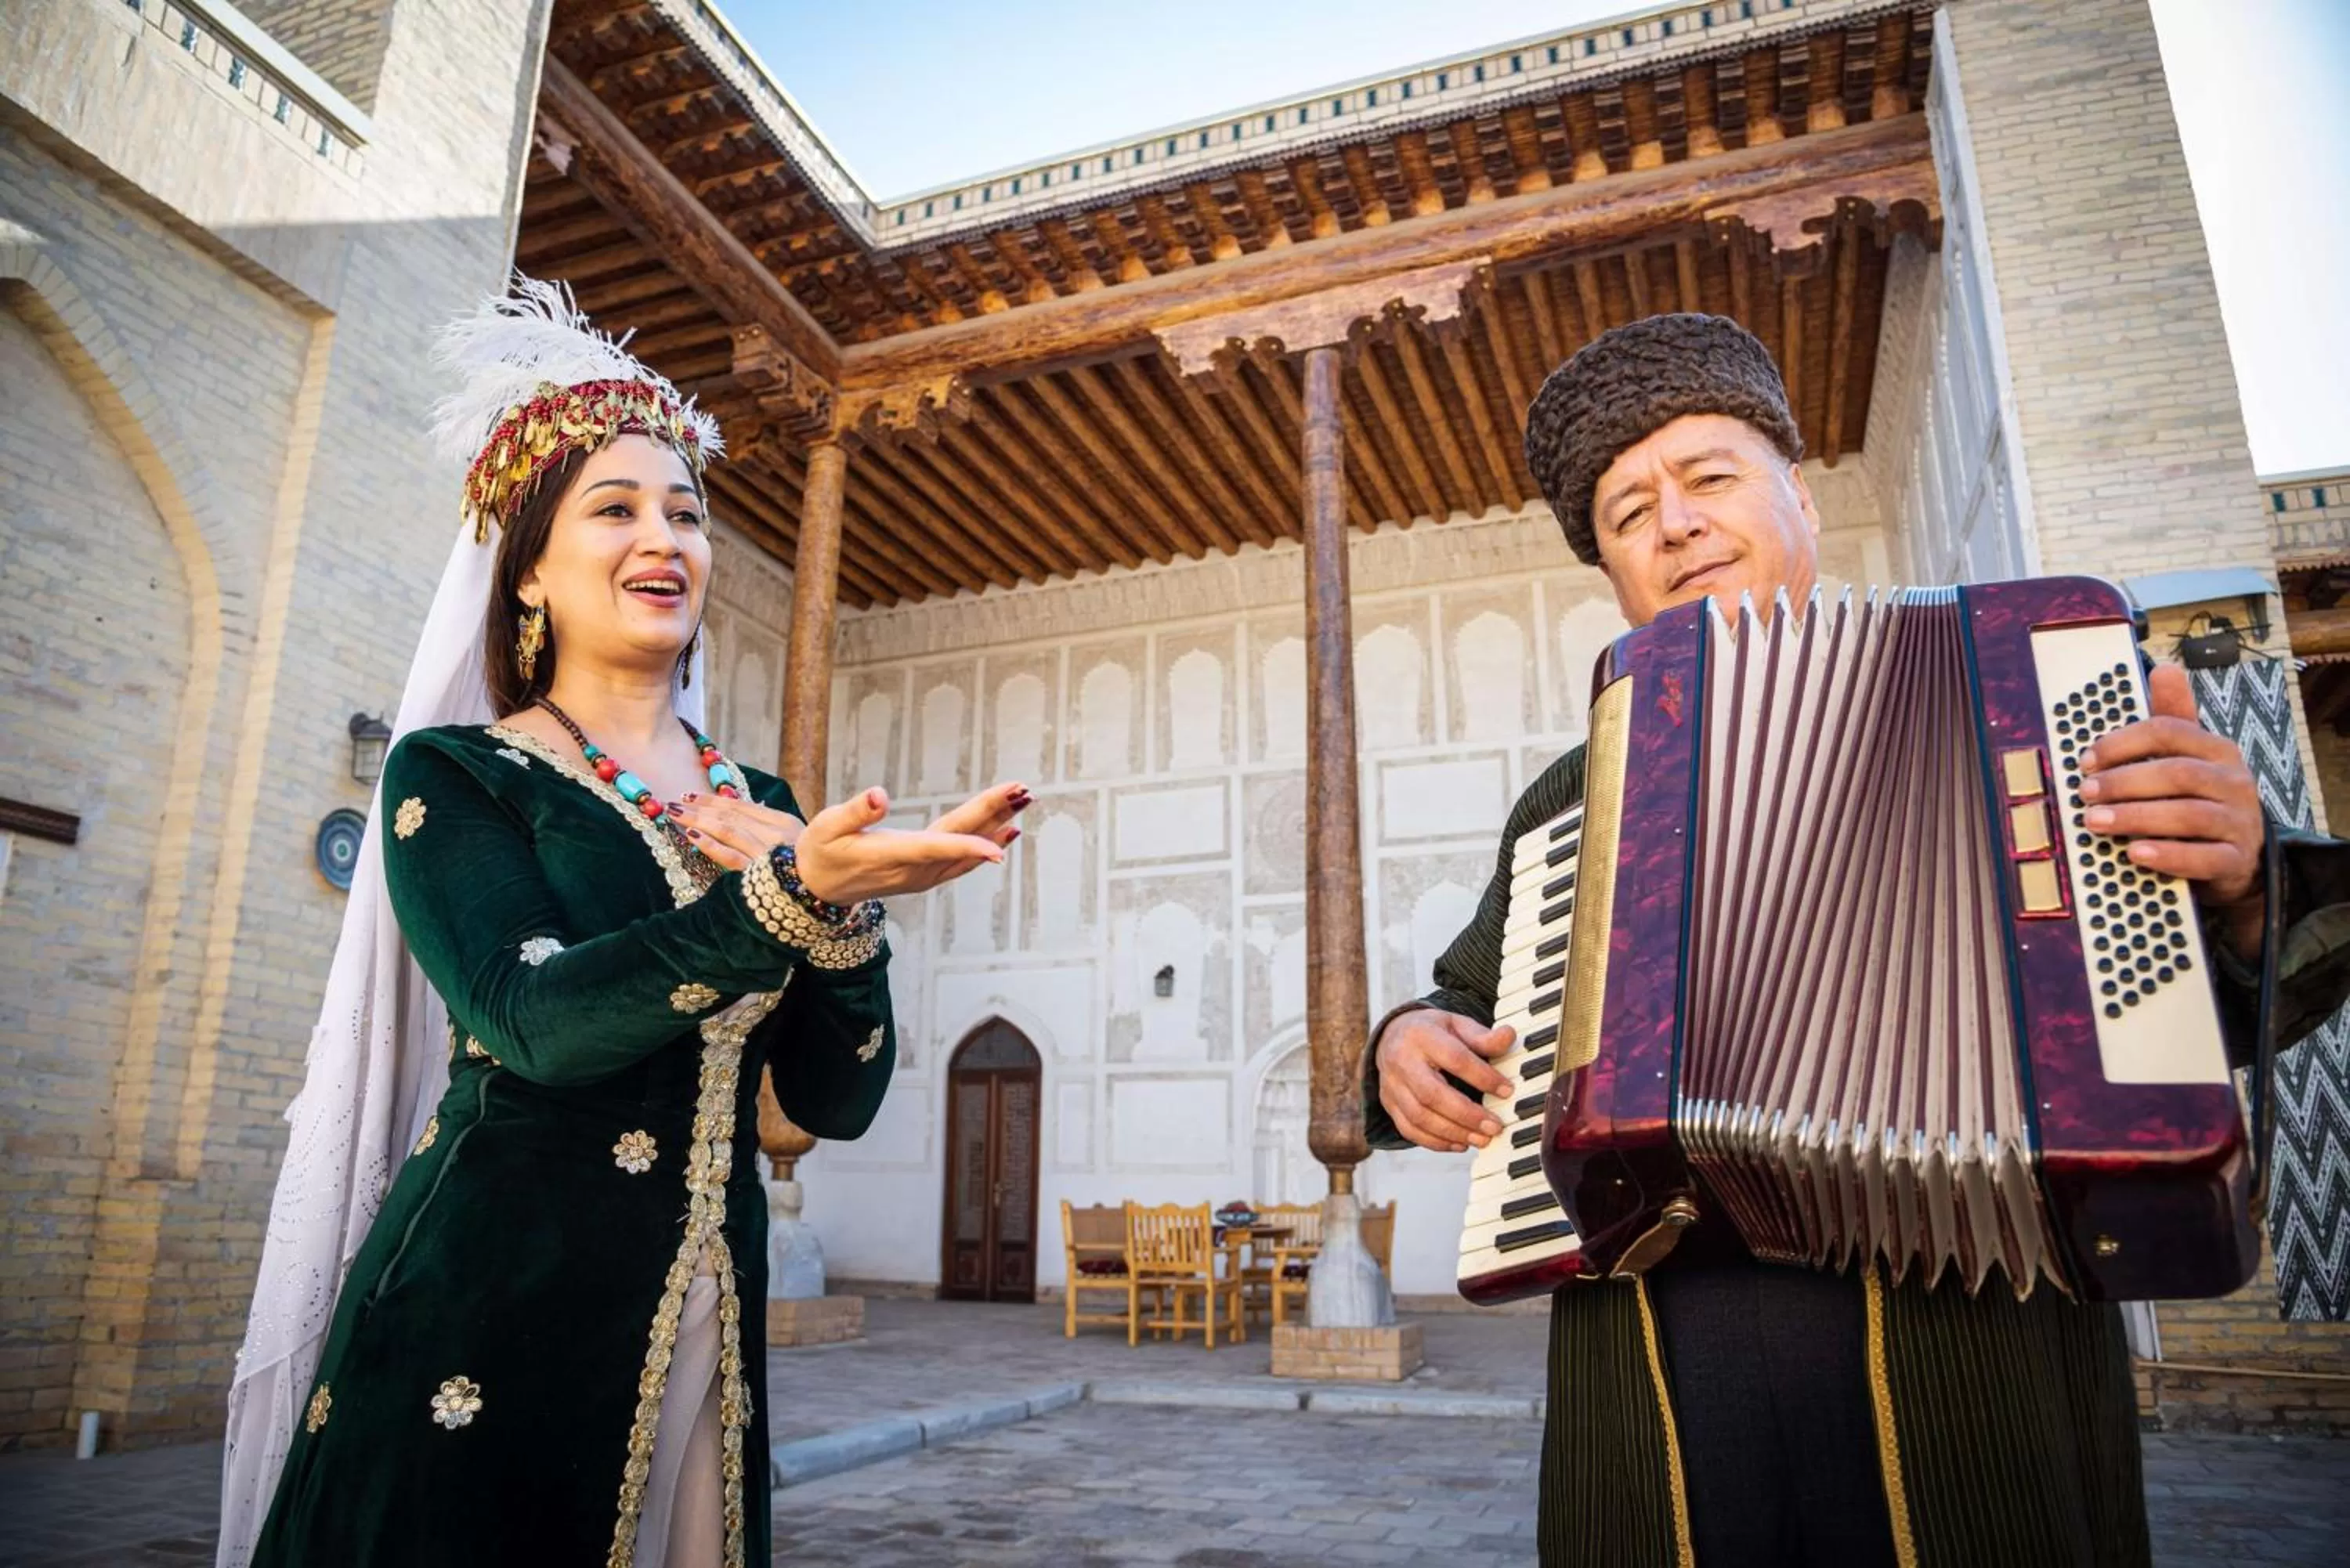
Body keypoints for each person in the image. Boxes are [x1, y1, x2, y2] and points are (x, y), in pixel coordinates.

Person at [1364, 313, 2350, 1568]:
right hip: (1659, 1382)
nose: (1677, 524)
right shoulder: (1571, 800)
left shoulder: (2016, 695)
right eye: (1629, 513)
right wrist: (1406, 1043)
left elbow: (2219, 1009)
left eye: (1710, 478)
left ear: (1802, 502)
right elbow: (1458, 1008)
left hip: (1974, 1364)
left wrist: (2246, 887)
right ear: (1611, 570)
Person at [218, 279, 1026, 1568]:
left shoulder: (761, 803)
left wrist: (849, 916)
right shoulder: (461, 773)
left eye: (687, 513)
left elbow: (828, 1102)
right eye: (617, 508)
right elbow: (536, 1017)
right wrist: (789, 893)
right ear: (529, 571)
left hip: (705, 1322)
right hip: (489, 1319)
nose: (667, 537)